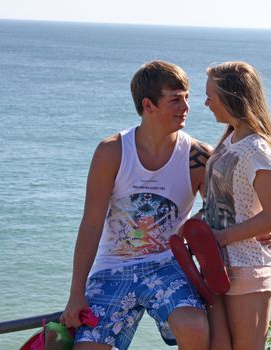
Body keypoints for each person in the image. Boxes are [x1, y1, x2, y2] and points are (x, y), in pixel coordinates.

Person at [60, 60, 212, 350]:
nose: (186, 107)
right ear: (148, 104)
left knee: (195, 328)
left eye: (187, 98)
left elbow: (219, 213)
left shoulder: (199, 156)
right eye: (175, 100)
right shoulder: (112, 151)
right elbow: (91, 224)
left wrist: (261, 229)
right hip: (112, 268)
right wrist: (76, 293)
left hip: (167, 267)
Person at [203, 61, 271, 350]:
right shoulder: (230, 138)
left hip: (248, 267)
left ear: (231, 97)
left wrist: (219, 238)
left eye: (210, 97)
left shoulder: (257, 149)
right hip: (222, 265)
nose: (206, 103)